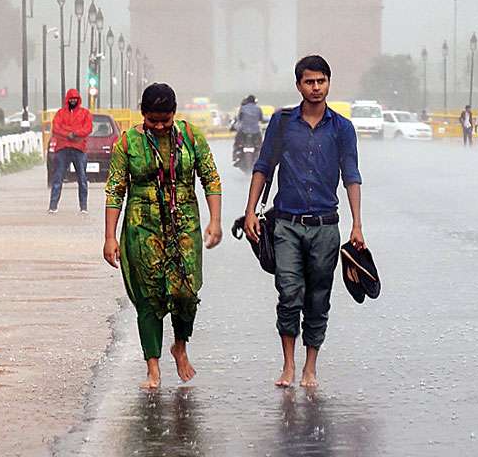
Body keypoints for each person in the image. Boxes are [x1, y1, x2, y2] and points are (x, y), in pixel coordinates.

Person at [244, 55, 364, 389]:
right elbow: (263, 166)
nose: (315, 87)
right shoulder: (282, 123)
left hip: (326, 225)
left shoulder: (342, 128)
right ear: (298, 85)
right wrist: (251, 210)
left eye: (321, 81)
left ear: (329, 83)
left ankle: (311, 367)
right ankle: (288, 365)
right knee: (288, 292)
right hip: (287, 224)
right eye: (309, 81)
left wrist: (357, 224)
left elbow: (351, 176)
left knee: (318, 298)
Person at [104, 83, 222, 390]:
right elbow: (115, 190)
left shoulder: (191, 137)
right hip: (142, 227)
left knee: (185, 293)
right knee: (149, 297)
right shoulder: (127, 143)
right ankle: (152, 367)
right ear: (142, 114)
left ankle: (180, 346)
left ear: (174, 113)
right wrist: (110, 237)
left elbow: (210, 178)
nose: (159, 127)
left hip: (184, 224)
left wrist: (215, 221)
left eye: (165, 120)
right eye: (152, 120)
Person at [49, 88, 92, 214]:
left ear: (78, 100)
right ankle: (53, 206)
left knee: (82, 179)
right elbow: (55, 128)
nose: (73, 101)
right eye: (71, 99)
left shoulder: (85, 113)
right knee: (58, 178)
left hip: (79, 149)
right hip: (63, 148)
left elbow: (88, 128)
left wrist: (74, 133)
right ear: (67, 99)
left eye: (75, 99)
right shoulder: (60, 113)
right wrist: (69, 134)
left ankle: (83, 207)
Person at [233, 94, 265, 169]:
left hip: (243, 131)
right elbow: (261, 119)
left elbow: (239, 119)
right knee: (260, 146)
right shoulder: (258, 109)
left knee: (237, 143)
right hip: (256, 131)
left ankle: (235, 156)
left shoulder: (242, 108)